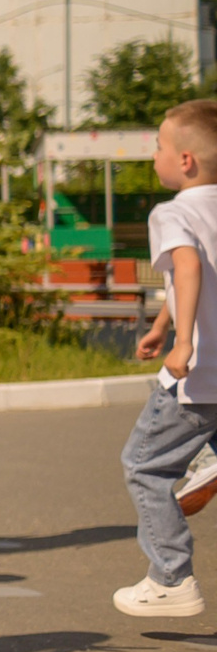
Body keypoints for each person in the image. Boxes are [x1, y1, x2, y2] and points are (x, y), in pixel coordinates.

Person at [114, 99, 217, 618]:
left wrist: (181, 344)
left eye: (158, 145)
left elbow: (188, 265)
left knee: (143, 463)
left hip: (198, 376)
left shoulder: (173, 212)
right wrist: (161, 325)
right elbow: (189, 284)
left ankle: (171, 577)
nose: (152, 153)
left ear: (186, 162)